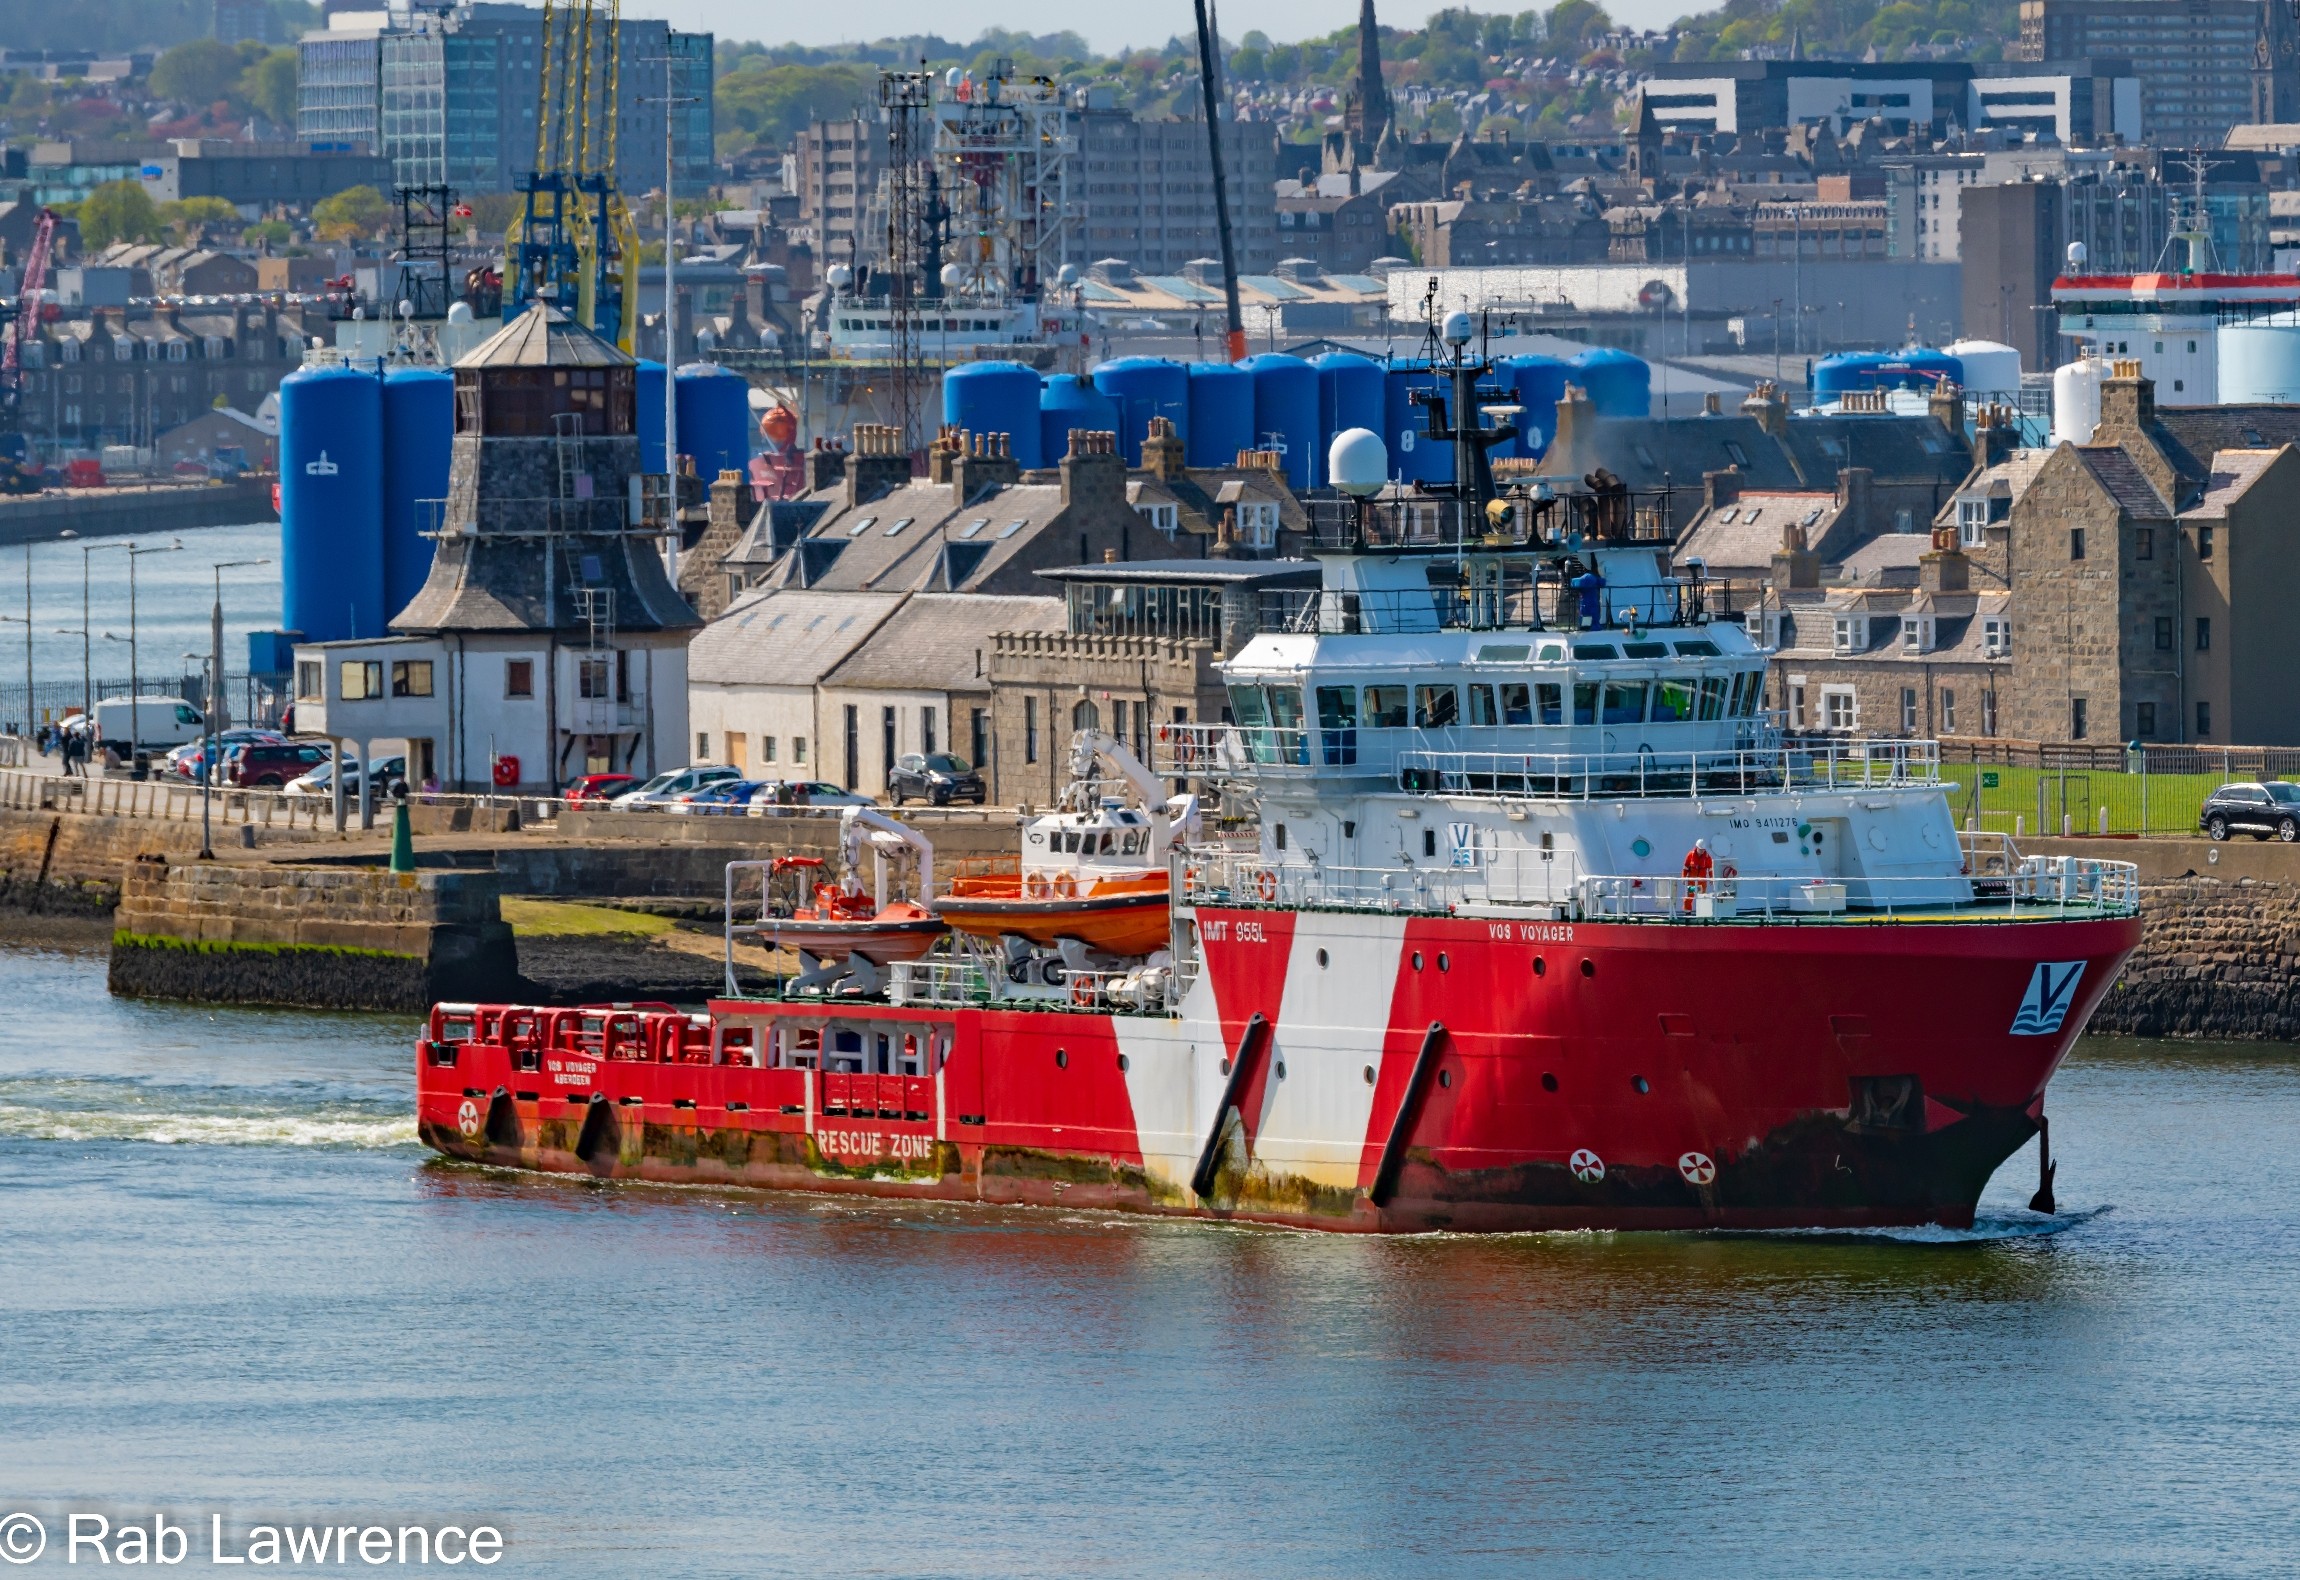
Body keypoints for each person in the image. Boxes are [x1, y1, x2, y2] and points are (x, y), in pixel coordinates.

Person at [1681, 838, 1715, 914]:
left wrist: (1711, 878)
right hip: (1692, 883)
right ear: (1697, 847)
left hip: (1701, 884)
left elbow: (1710, 869)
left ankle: (1703, 916)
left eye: (1703, 850)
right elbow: (1685, 868)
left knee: (1702, 899)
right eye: (1700, 849)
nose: (1702, 851)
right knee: (1688, 899)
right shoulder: (1690, 855)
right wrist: (1683, 877)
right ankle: (1687, 915)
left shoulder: (1707, 857)